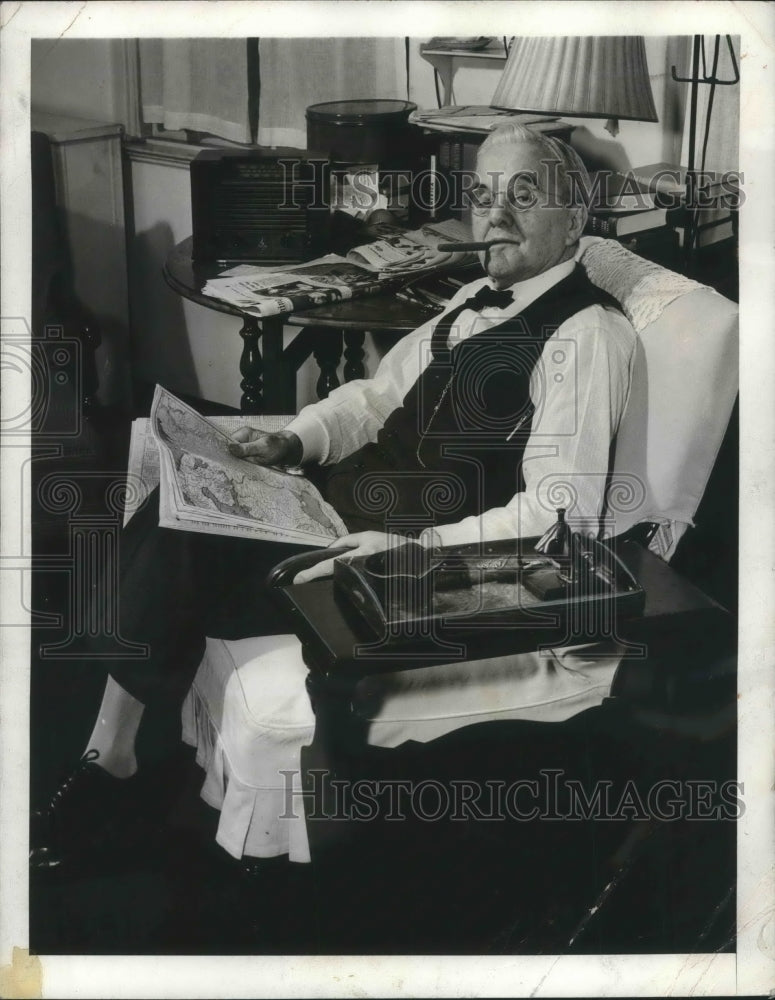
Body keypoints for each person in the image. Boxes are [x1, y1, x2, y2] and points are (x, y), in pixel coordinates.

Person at [36, 124, 637, 865]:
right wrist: (292, 442)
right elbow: (373, 397)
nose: (496, 213)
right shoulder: (478, 296)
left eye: (524, 194)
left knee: (178, 536)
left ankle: (110, 761)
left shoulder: (588, 335)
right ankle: (114, 752)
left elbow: (558, 515)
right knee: (175, 479)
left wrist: (413, 548)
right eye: (483, 195)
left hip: (393, 563)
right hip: (330, 505)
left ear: (575, 216)